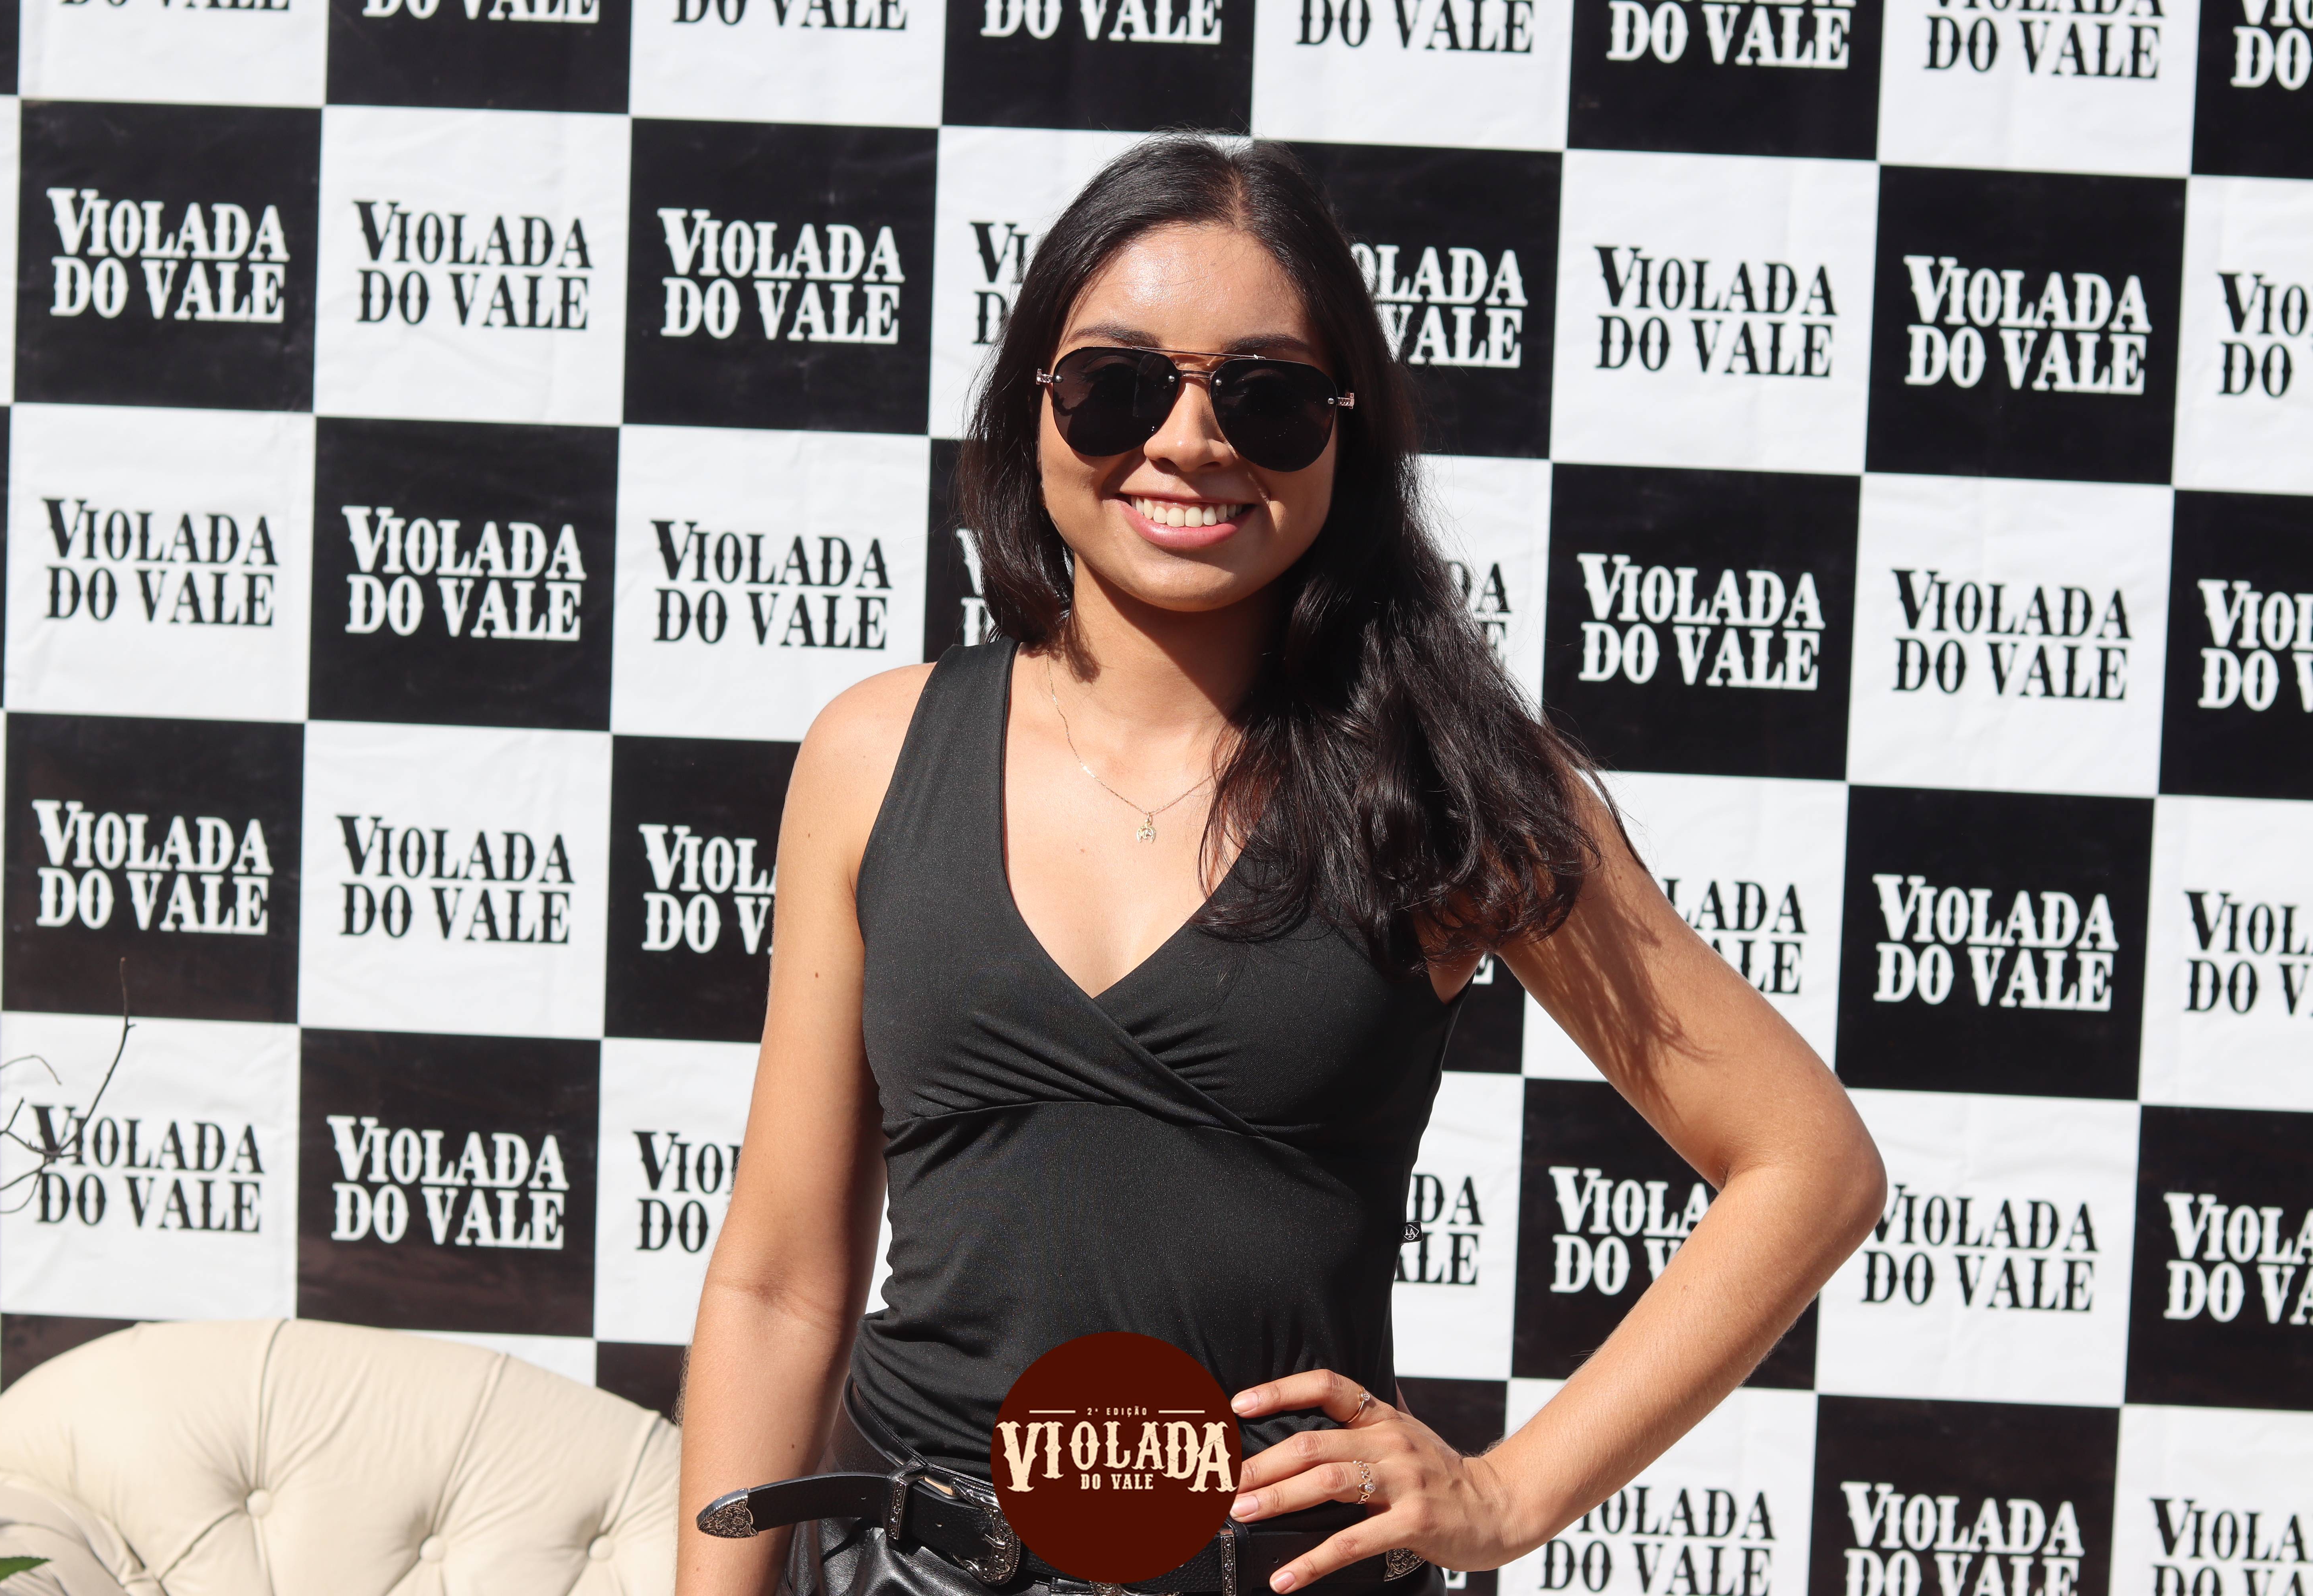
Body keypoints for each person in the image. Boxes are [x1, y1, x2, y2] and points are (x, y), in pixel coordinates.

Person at [673, 132, 1885, 1596]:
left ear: (1344, 435)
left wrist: (1509, 1495)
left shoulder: (1444, 783)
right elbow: (780, 1283)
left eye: (1267, 396)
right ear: (1031, 405)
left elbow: (1808, 1166)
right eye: (1117, 385)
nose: (1190, 442)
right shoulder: (873, 755)